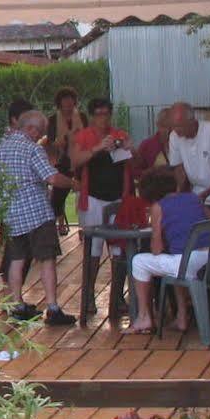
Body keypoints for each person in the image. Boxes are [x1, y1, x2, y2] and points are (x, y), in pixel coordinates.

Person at [0, 108, 77, 325]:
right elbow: (52, 178)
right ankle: (52, 307)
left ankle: (17, 305)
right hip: (36, 213)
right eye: (39, 132)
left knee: (16, 260)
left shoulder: (0, 149)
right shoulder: (32, 150)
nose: (40, 136)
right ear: (30, 128)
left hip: (11, 214)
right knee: (47, 259)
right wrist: (74, 183)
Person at [127, 166, 210, 334]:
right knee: (174, 264)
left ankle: (144, 316)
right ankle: (181, 317)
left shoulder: (158, 207)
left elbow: (157, 250)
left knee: (139, 261)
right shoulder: (194, 198)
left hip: (189, 262)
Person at [68, 96, 132, 322]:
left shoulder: (119, 133)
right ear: (93, 115)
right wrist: (97, 148)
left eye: (107, 114)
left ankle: (117, 297)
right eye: (99, 114)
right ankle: (88, 297)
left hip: (118, 197)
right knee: (93, 249)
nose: (103, 118)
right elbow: (75, 161)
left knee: (119, 250)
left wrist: (125, 147)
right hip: (93, 197)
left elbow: (131, 162)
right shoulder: (83, 136)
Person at [43, 86, 85, 234]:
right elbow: (49, 142)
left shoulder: (82, 117)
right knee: (57, 197)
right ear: (59, 103)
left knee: (84, 195)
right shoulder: (53, 120)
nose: (68, 104)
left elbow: (88, 137)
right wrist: (57, 143)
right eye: (65, 101)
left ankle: (84, 228)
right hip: (62, 161)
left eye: (70, 101)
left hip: (82, 161)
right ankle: (57, 226)